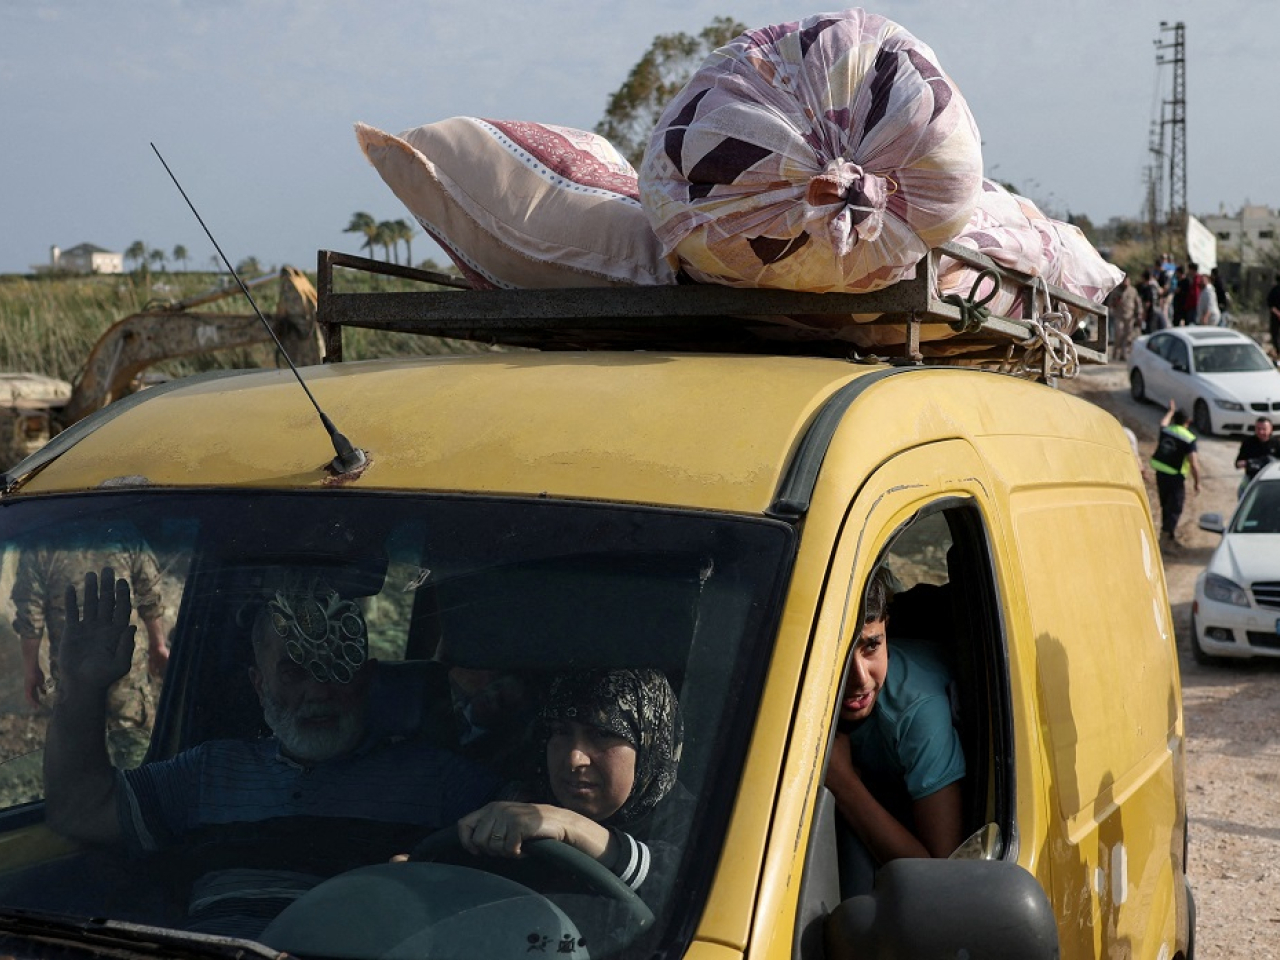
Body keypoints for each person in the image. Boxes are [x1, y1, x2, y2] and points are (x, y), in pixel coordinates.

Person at [43, 569, 498, 937]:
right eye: (294, 671)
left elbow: (521, 866)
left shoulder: (441, 783)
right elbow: (80, 811)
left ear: (367, 678)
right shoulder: (209, 771)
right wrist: (82, 687)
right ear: (259, 684)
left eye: (335, 669)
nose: (319, 691)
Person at [456, 667, 685, 904]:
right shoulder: (516, 800)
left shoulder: (701, 826)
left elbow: (695, 893)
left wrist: (575, 828)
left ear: (650, 743)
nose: (574, 759)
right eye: (561, 732)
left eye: (602, 734)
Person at [823, 567, 965, 897]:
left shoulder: (917, 709)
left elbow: (938, 876)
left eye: (872, 646)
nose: (859, 677)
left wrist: (843, 782)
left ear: (887, 627)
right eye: (837, 654)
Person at [10, 522, 170, 768]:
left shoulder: (41, 544)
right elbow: (150, 594)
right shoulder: (124, 534)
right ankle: (136, 800)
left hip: (75, 673)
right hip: (123, 666)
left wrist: (31, 669)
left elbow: (30, 616)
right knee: (134, 752)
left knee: (81, 758)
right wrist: (158, 645)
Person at [1150, 400, 1202, 549]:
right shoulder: (1189, 438)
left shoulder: (1167, 431)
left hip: (1161, 473)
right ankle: (1165, 539)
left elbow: (1163, 422)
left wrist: (1170, 411)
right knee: (1175, 508)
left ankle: (1168, 536)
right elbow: (1193, 463)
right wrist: (1197, 482)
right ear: (1188, 421)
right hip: (1175, 476)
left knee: (1165, 505)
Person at [1234, 417, 1280, 497]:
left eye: (1264, 429)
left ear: (1270, 429)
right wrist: (1250, 463)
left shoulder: (1276, 443)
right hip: (1252, 478)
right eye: (1258, 429)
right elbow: (1237, 464)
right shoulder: (1248, 443)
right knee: (1242, 495)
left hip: (1270, 480)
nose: (1261, 432)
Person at [1106, 274, 1142, 360]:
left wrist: (1139, 314)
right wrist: (1115, 303)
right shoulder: (1116, 291)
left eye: (1127, 281)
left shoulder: (1133, 291)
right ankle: (1115, 353)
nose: (1126, 282)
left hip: (1129, 317)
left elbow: (1138, 303)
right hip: (1119, 316)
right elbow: (1110, 303)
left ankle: (1123, 354)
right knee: (1118, 334)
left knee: (1128, 336)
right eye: (1124, 281)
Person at [1268, 274, 1280, 357]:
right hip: (1276, 316)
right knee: (1275, 335)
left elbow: (1270, 304)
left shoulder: (1274, 290)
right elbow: (1270, 304)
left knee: (1275, 335)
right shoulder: (1275, 290)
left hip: (1275, 316)